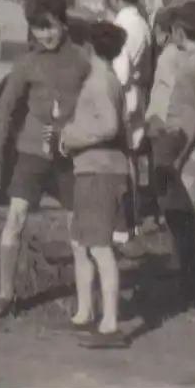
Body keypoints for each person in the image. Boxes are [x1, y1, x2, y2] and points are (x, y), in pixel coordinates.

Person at [0, 0, 92, 318]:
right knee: (15, 218)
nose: (45, 35)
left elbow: (99, 105)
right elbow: (4, 110)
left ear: (63, 24)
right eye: (37, 29)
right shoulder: (27, 63)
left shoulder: (84, 61)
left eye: (50, 27)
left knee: (78, 230)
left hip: (71, 153)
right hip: (32, 153)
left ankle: (85, 302)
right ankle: (5, 295)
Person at [145, 0, 195, 309]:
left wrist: (171, 161)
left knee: (182, 219)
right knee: (187, 220)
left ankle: (189, 291)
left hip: (187, 151)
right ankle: (189, 285)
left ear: (180, 32)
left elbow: (186, 123)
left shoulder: (191, 69)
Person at [59, 19, 132, 348]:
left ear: (89, 47)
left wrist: (71, 137)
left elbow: (110, 126)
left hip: (99, 172)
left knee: (100, 248)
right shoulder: (107, 79)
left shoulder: (100, 81)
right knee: (82, 242)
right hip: (93, 170)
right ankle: (86, 313)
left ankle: (110, 325)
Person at [106, 0, 151, 245]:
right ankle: (130, 218)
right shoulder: (141, 22)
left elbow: (120, 69)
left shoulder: (123, 24)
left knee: (119, 158)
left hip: (122, 93)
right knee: (130, 157)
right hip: (136, 93)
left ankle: (122, 221)